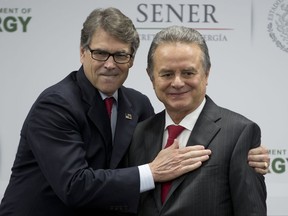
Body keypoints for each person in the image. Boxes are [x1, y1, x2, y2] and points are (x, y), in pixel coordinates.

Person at [0, 7, 268, 216]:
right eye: (100, 53)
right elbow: (75, 186)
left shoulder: (138, 107)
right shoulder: (56, 104)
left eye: (120, 55)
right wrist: (151, 172)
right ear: (82, 52)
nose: (110, 64)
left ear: (131, 60)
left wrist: (248, 155)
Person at [128, 26, 267, 215]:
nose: (177, 82)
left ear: (206, 74)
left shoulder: (239, 133)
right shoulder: (138, 133)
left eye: (188, 73)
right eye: (167, 74)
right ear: (151, 77)